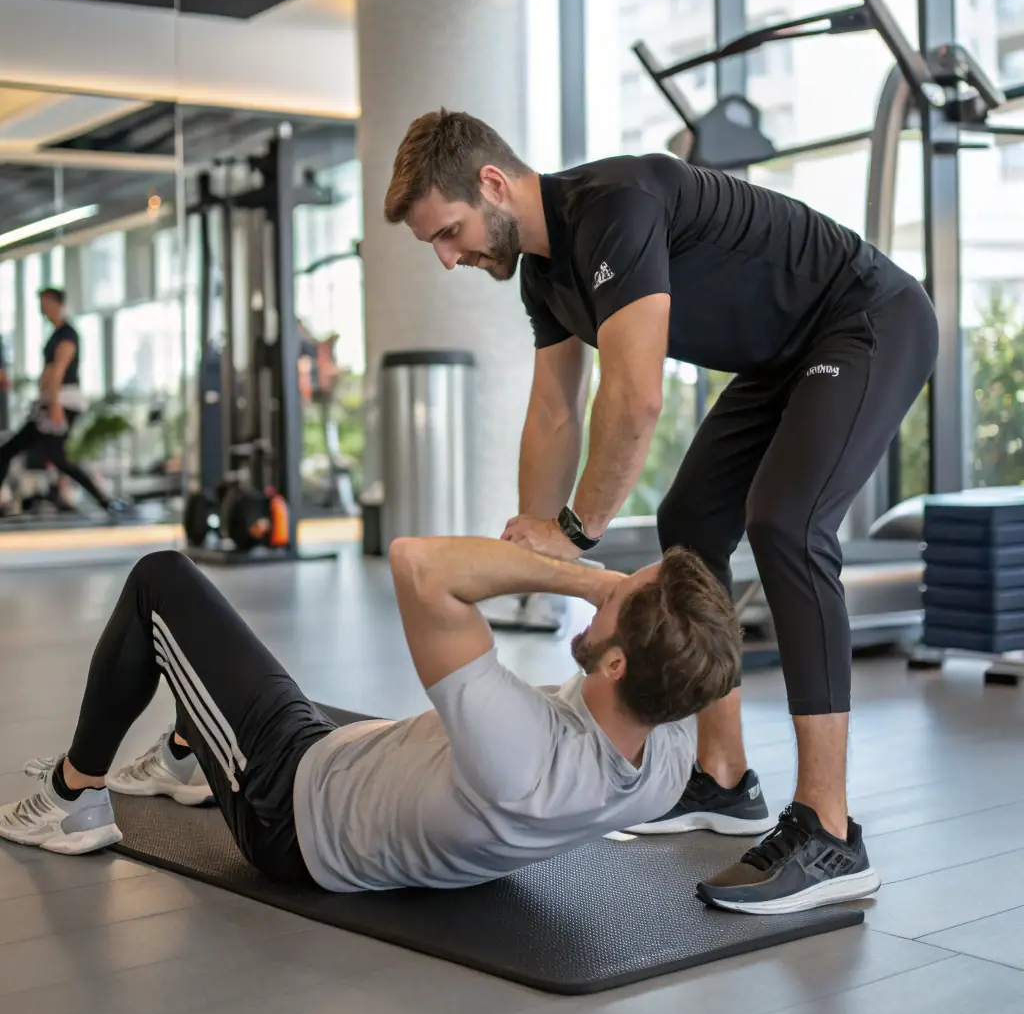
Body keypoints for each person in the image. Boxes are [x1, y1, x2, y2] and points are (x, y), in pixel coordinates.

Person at [383, 109, 940, 915]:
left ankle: (829, 829)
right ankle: (722, 776)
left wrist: (575, 532)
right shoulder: (544, 274)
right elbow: (553, 412)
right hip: (783, 356)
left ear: (493, 184)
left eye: (449, 230)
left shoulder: (617, 204)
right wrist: (530, 560)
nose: (447, 257)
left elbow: (636, 396)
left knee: (786, 520)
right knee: (691, 522)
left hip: (868, 318)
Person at [0, 539, 740, 891]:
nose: (597, 594)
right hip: (366, 777)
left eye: (610, 599)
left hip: (291, 808)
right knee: (245, 677)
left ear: (617, 666)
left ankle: (73, 797)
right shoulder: (665, 755)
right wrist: (641, 602)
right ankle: (186, 756)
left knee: (161, 582)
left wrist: (582, 573)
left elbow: (419, 563)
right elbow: (703, 654)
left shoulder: (522, 751)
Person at [0, 287, 125, 518]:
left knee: (44, 455)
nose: (42, 309)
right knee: (22, 452)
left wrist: (55, 404)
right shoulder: (56, 334)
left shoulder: (67, 334)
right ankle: (104, 500)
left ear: (56, 303)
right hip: (48, 403)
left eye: (45, 303)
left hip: (61, 402)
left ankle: (105, 499)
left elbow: (58, 369)